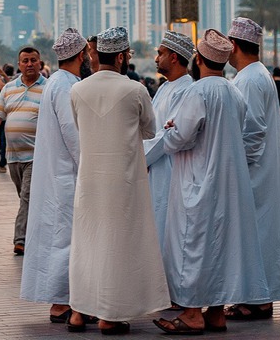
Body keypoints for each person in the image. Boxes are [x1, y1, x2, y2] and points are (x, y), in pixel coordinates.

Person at [152, 30, 267, 335]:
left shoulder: (198, 92)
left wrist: (170, 129)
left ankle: (192, 314)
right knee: (220, 248)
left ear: (198, 60)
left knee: (193, 246)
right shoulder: (234, 92)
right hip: (228, 184)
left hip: (197, 182)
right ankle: (215, 313)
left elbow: (179, 138)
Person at [68, 27, 167, 335]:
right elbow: (150, 130)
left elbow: (79, 126)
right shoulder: (136, 90)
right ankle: (109, 316)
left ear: (97, 55)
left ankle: (77, 311)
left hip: (89, 180)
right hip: (124, 180)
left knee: (88, 242)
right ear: (123, 56)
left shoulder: (77, 90)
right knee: (118, 245)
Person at [225, 18, 280, 321]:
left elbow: (253, 131)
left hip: (254, 172)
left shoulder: (249, 79)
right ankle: (257, 297)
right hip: (261, 169)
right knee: (261, 234)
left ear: (233, 45)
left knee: (256, 235)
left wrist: (237, 168)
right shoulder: (257, 75)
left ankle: (257, 299)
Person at [20, 29, 87, 324]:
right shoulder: (67, 86)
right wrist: (91, 167)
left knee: (59, 237)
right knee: (64, 239)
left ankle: (64, 301)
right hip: (66, 176)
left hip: (57, 174)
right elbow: (75, 137)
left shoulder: (60, 82)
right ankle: (61, 303)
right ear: (81, 55)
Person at [0, 47, 46, 256]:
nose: (29, 64)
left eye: (33, 60)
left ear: (40, 63)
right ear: (19, 64)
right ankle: (40, 232)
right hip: (13, 157)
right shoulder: (9, 88)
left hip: (37, 156)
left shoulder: (48, 88)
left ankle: (20, 240)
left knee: (27, 198)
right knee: (26, 198)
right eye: (25, 61)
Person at [143, 31, 196, 270]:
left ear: (174, 58)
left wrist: (139, 157)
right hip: (157, 168)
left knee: (170, 226)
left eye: (160, 54)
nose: (156, 59)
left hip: (173, 169)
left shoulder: (186, 89)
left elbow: (169, 134)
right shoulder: (166, 88)